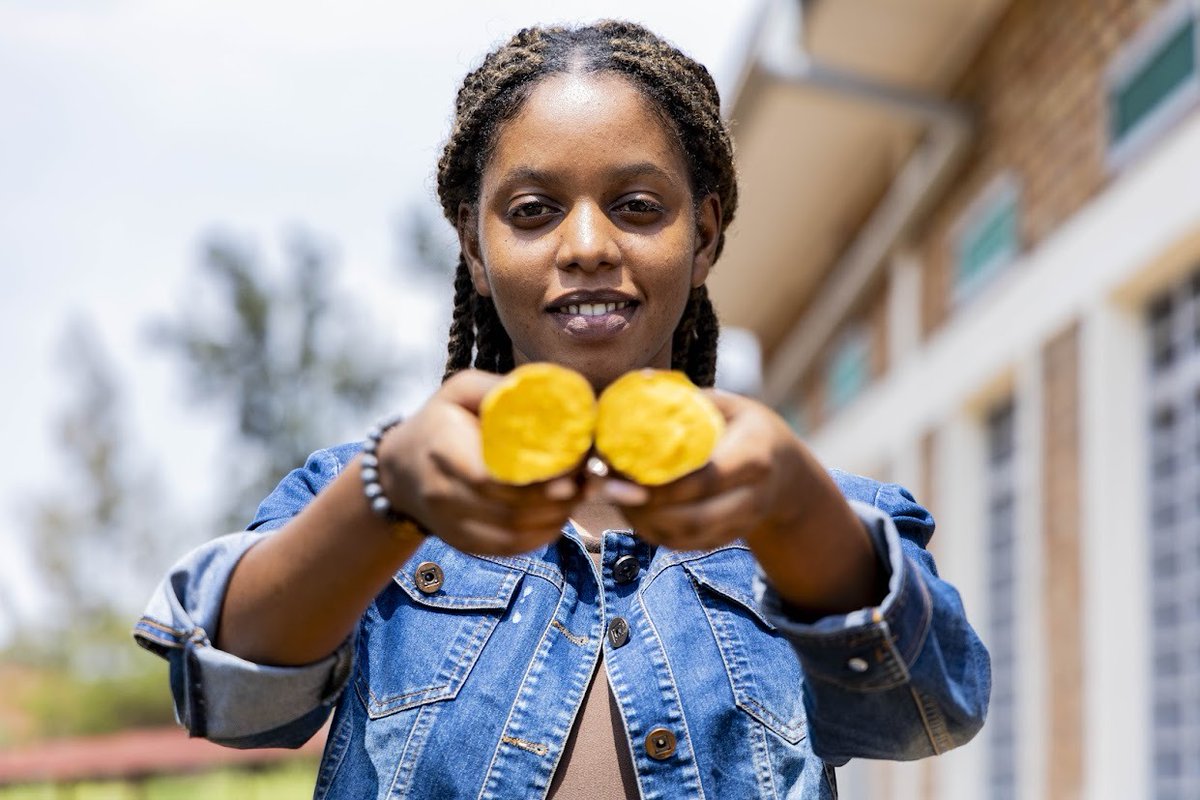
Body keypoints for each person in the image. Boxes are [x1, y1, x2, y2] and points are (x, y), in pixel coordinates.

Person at [135, 21, 989, 799]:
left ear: (707, 236)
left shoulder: (822, 518)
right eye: (534, 211)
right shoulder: (367, 494)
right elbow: (231, 700)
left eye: (638, 207)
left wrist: (799, 509)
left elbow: (932, 710)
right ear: (474, 244)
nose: (587, 247)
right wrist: (386, 496)